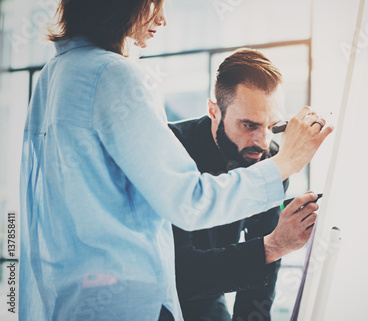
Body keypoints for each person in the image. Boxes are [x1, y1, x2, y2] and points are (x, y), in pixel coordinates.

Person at [19, 1, 332, 320]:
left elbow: (261, 281)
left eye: (270, 125)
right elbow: (189, 202)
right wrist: (288, 163)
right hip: (130, 303)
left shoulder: (54, 76)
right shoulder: (113, 74)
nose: (164, 19)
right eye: (155, 3)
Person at [170, 49, 319, 321]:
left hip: (210, 295)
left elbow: (266, 266)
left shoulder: (272, 157)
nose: (262, 141)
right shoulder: (173, 147)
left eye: (272, 126)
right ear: (214, 111)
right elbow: (181, 272)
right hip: (162, 294)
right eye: (249, 125)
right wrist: (271, 246)